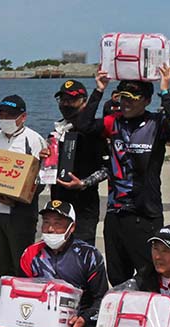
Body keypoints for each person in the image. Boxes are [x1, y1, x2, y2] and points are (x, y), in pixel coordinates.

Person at [76, 65, 170, 285]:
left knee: (148, 276)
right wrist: (99, 90)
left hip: (146, 213)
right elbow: (83, 125)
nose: (126, 103)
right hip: (116, 213)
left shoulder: (156, 123)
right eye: (123, 98)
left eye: (132, 99)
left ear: (146, 101)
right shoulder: (113, 121)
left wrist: (165, 91)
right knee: (117, 277)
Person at [4, 200, 109, 327]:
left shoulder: (89, 255)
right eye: (46, 222)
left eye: (58, 223)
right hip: (42, 315)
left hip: (78, 318)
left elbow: (102, 298)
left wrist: (83, 319)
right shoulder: (30, 254)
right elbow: (21, 292)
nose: (50, 229)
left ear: (71, 227)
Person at [0, 95, 48, 278]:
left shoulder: (34, 139)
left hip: (21, 214)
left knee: (22, 264)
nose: (4, 118)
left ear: (23, 117)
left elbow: (41, 177)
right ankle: (4, 293)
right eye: (1, 114)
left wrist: (15, 197)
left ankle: (22, 294)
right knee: (0, 264)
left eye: (10, 115)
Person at [48, 80, 108, 245]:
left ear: (84, 102)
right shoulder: (56, 131)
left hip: (84, 207)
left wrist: (83, 183)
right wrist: (45, 159)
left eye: (72, 100)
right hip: (58, 203)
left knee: (81, 252)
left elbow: (107, 168)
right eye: (63, 100)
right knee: (57, 250)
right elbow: (49, 166)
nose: (66, 104)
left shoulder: (94, 131)